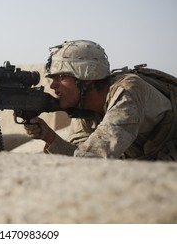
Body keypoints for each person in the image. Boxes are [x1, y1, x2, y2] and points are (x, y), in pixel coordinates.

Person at [24, 39, 176, 161]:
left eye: (61, 77)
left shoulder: (128, 90)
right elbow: (77, 158)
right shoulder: (84, 108)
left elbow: (95, 157)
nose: (52, 85)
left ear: (87, 78)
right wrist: (48, 136)